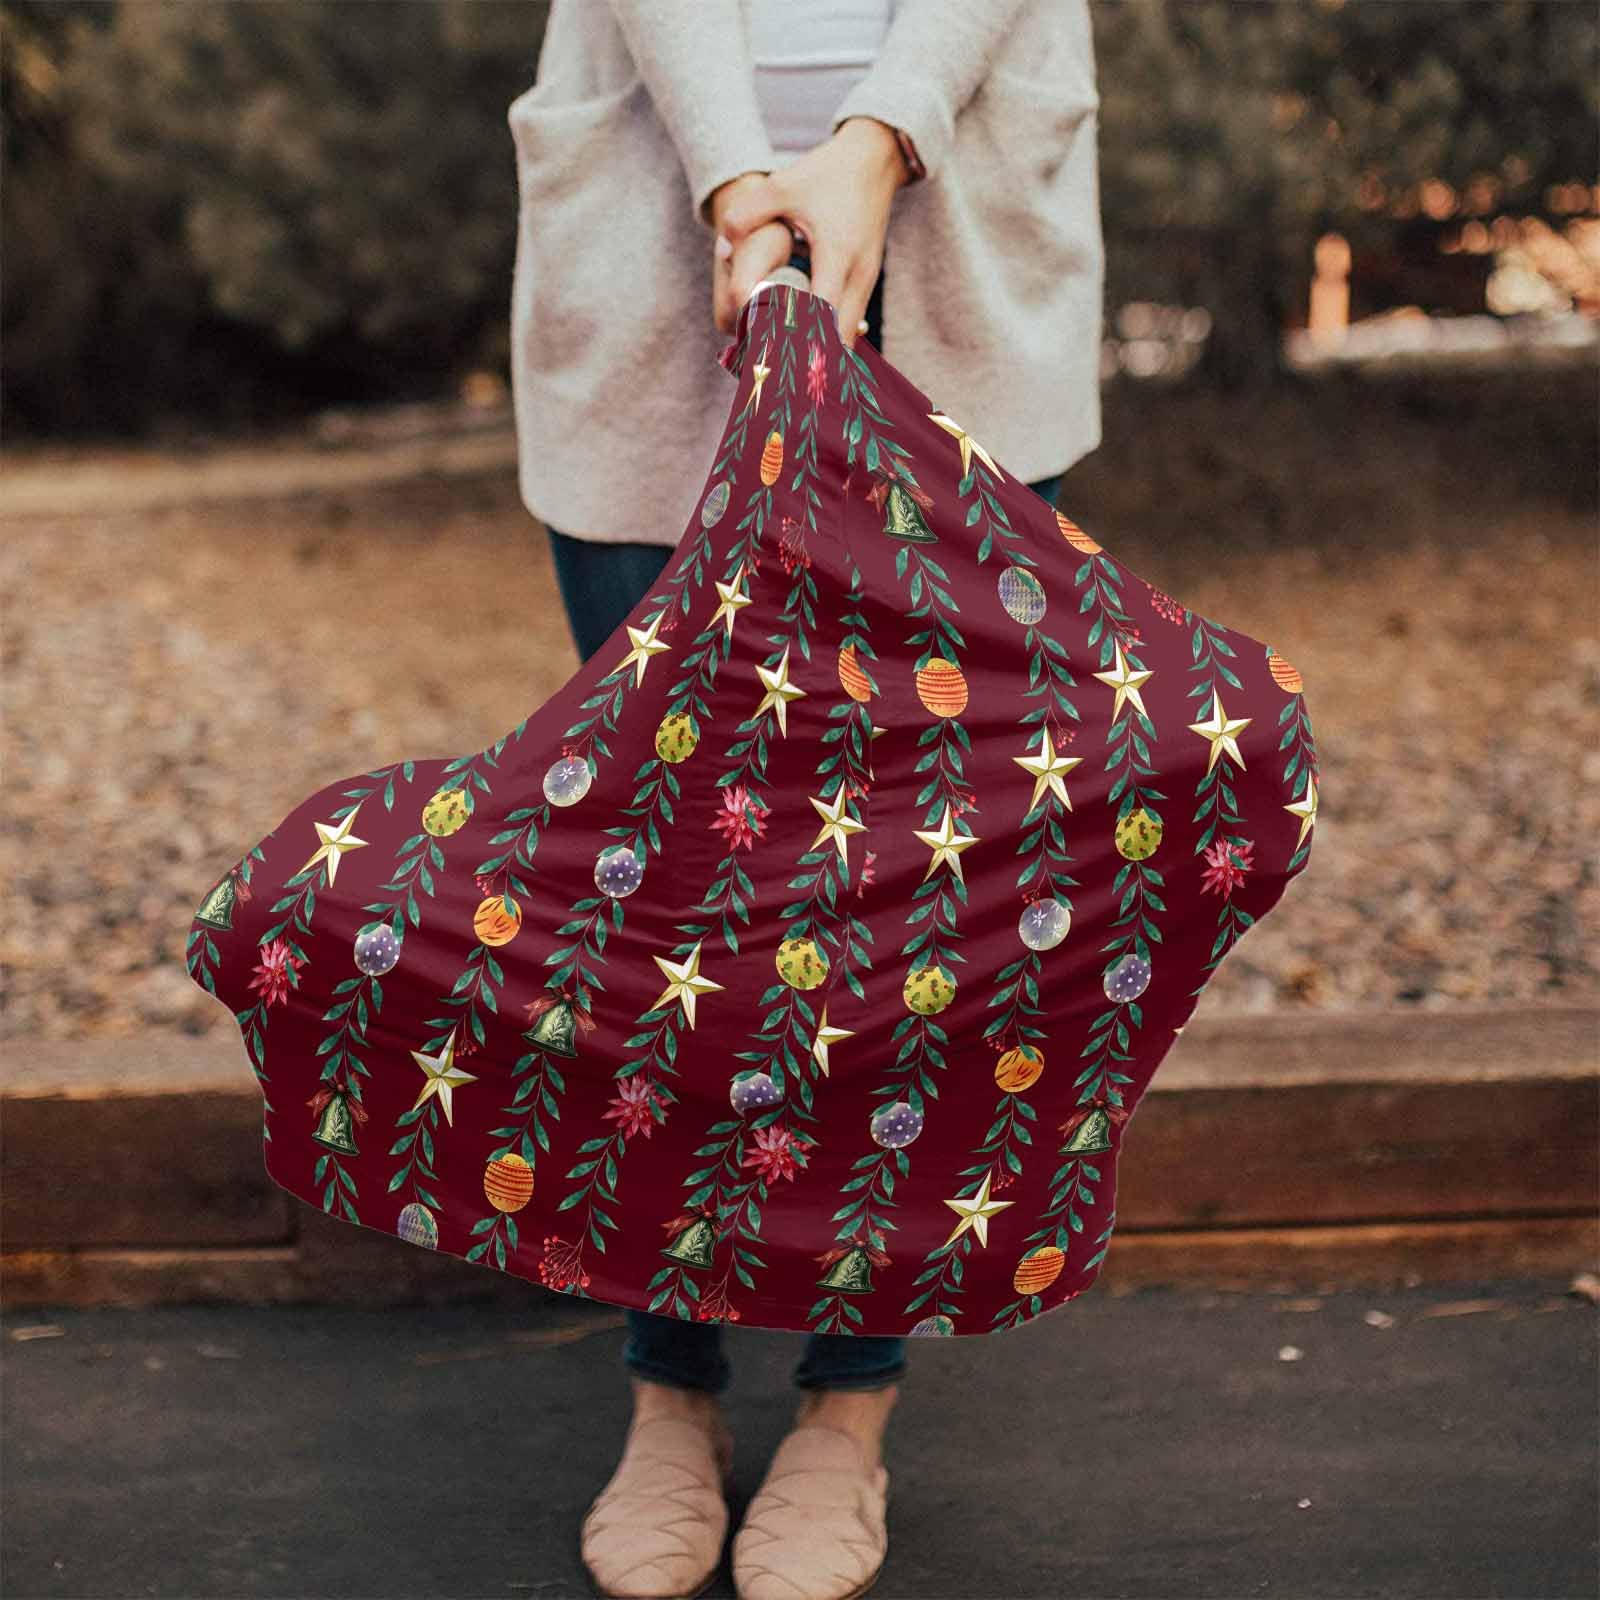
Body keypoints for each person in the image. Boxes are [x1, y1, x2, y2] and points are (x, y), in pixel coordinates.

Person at [502, 6, 1103, 1598]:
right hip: (660, 220)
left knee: (917, 884)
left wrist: (878, 136)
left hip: (959, 229)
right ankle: (669, 1389)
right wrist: (736, 179)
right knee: (669, 876)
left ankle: (849, 1404)